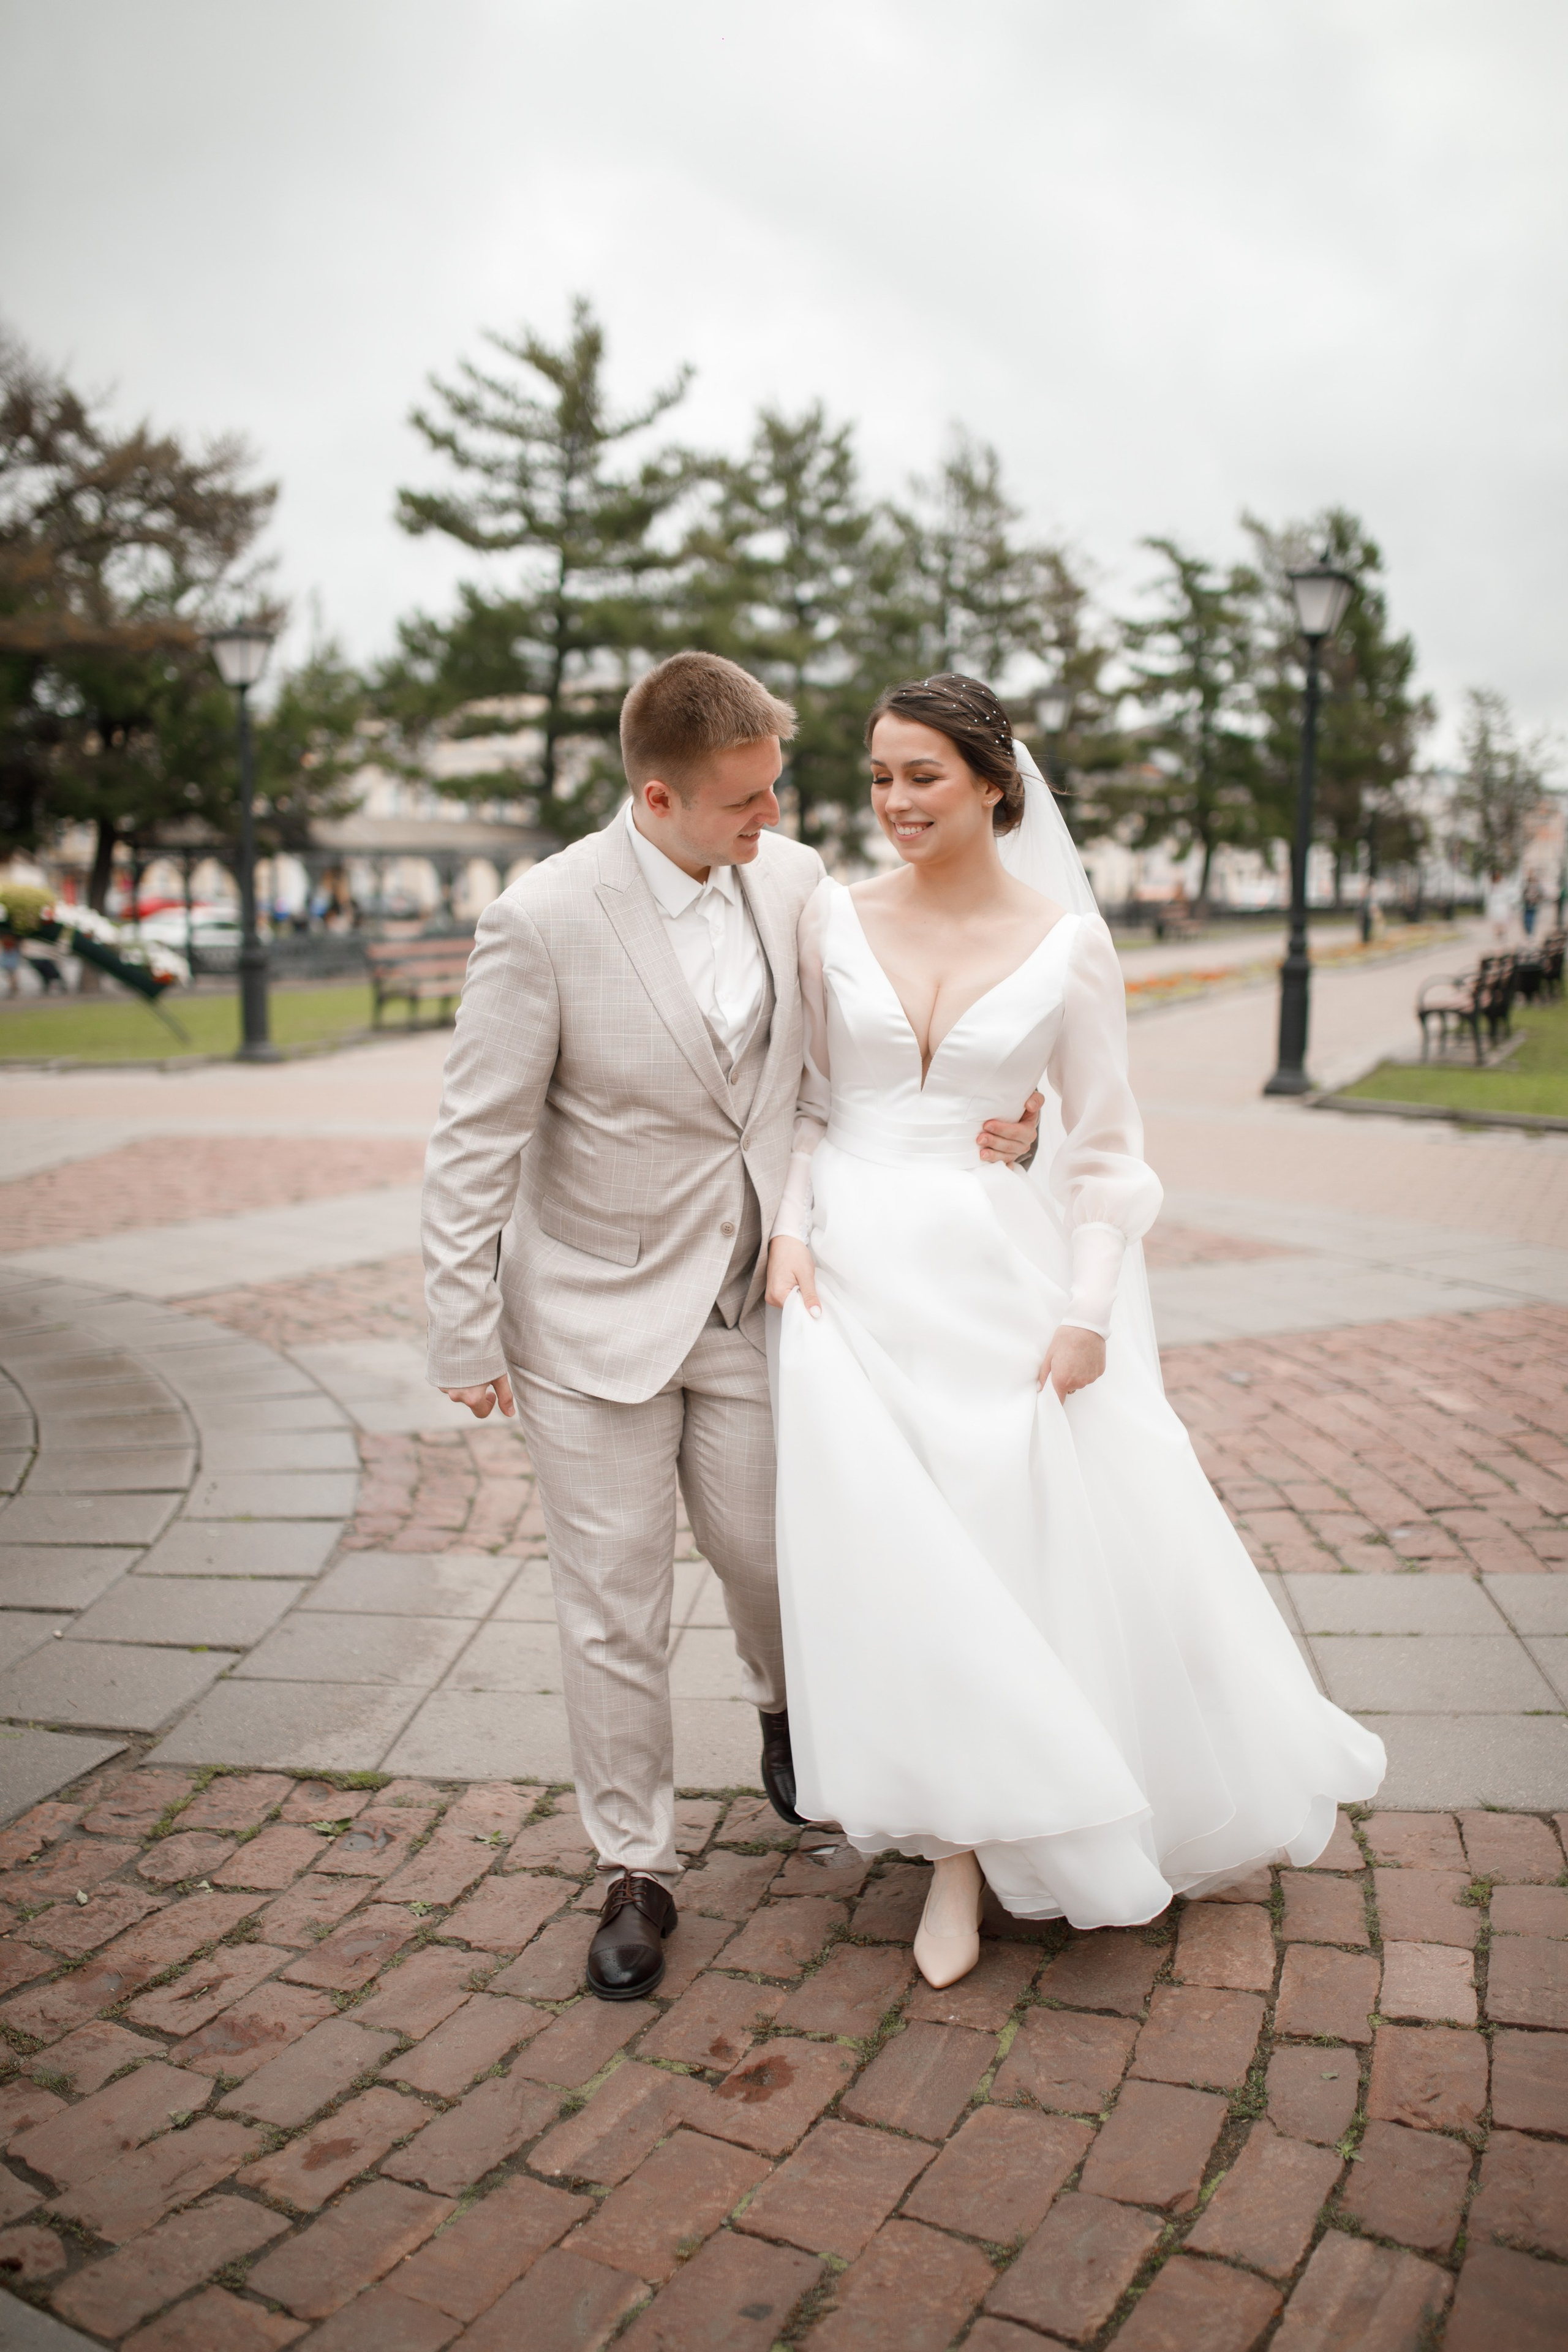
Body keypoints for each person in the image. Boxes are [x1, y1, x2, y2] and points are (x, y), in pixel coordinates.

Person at [420, 653, 1041, 2000]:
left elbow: (849, 1066)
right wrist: (460, 1332)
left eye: (777, 790)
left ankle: (782, 1706)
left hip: (754, 1300)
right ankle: (635, 1868)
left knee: (774, 1558)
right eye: (746, 802)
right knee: (614, 1608)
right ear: (659, 796)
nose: (776, 818)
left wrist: (1011, 1109)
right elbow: (472, 1141)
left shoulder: (794, 880)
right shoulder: (541, 922)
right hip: (588, 1321)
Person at [765, 674, 1385, 1990]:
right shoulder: (829, 918)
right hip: (846, 1286)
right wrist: (789, 1229)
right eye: (877, 776)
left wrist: (1086, 1309)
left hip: (997, 1276)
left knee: (1006, 1547)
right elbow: (805, 1104)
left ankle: (986, 1842)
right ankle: (950, 1844)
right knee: (890, 1559)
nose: (892, 803)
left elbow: (1105, 1152)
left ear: (994, 783)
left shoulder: (1066, 945)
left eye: (919, 775)